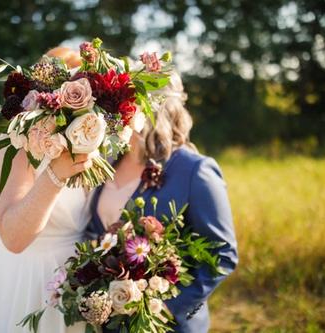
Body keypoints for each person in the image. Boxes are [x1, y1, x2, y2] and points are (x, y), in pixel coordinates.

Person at [87, 72, 238, 333]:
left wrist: (170, 308)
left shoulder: (194, 170)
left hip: (165, 324)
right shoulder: (107, 163)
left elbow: (223, 253)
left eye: (120, 101)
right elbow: (96, 231)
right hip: (110, 321)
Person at [0, 47, 90, 333]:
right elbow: (14, 238)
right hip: (24, 287)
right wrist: (55, 175)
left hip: (77, 289)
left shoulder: (85, 147)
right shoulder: (12, 149)